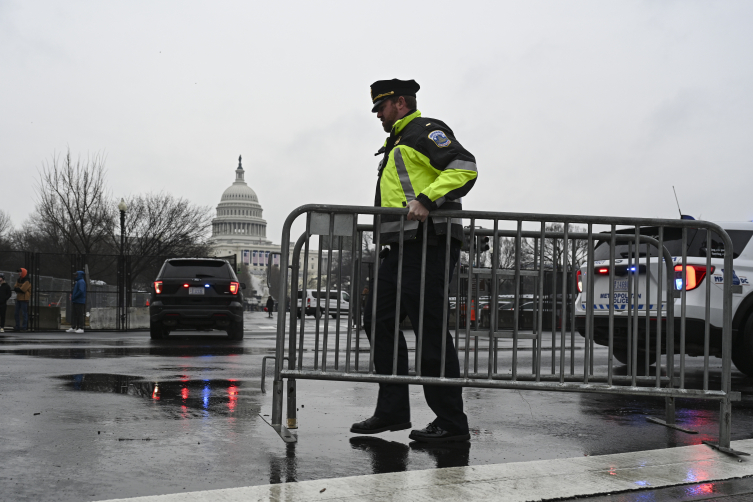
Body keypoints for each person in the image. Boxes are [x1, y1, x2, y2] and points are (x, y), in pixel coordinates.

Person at [351, 79, 478, 443]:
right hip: (400, 246)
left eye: (382, 107)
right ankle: (392, 410)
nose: (378, 115)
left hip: (429, 243)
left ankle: (452, 423)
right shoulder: (397, 142)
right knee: (378, 319)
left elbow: (464, 166)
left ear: (400, 103)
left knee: (430, 330)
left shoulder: (425, 131)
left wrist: (427, 198)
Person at [13, 268, 31, 332]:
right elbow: (15, 287)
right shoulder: (19, 280)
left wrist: (18, 288)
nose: (19, 273)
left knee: (24, 313)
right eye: (18, 272)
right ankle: (17, 326)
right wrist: (19, 288)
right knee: (16, 313)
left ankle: (24, 327)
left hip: (24, 299)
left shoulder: (27, 280)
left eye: (20, 272)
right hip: (19, 298)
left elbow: (23, 290)